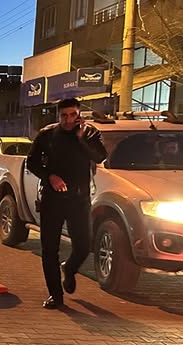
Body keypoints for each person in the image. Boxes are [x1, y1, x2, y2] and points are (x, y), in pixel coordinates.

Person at [27, 97, 107, 309]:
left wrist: (82, 139)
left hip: (79, 200)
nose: (69, 120)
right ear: (58, 115)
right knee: (49, 249)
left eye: (73, 115)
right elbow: (32, 162)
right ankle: (56, 295)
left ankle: (69, 268)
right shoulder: (47, 135)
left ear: (79, 114)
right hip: (52, 200)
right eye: (64, 115)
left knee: (83, 245)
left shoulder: (90, 134)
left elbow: (100, 157)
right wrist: (49, 176)